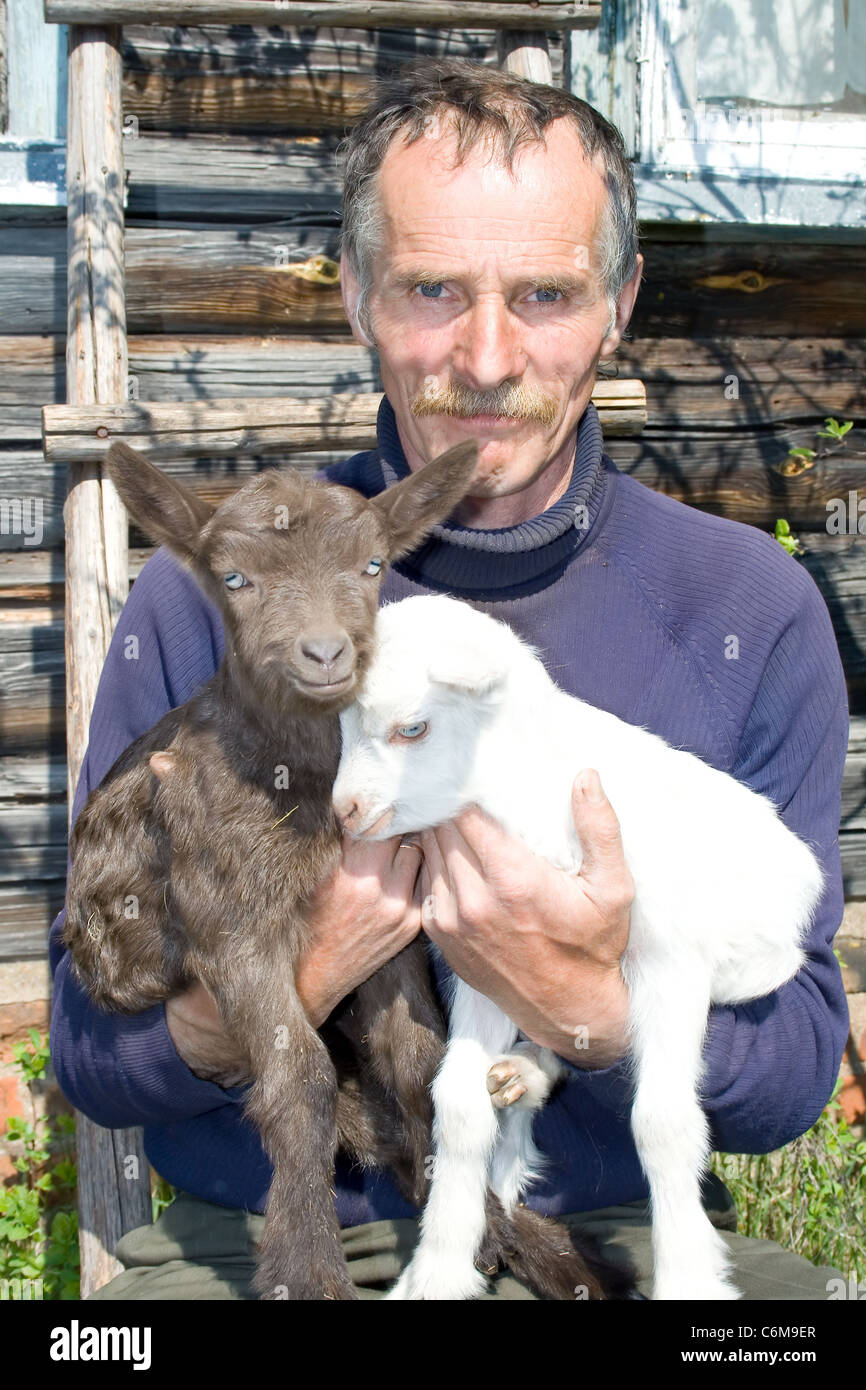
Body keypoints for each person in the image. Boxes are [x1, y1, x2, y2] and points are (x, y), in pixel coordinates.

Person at [50, 60, 849, 1300]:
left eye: (542, 293)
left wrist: (591, 1002)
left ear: (618, 303)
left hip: (619, 1244)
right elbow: (92, 1052)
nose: (484, 356)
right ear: (359, 295)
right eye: (432, 290)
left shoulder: (744, 608)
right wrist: (289, 978)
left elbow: (791, 1069)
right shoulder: (221, 598)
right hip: (263, 1246)